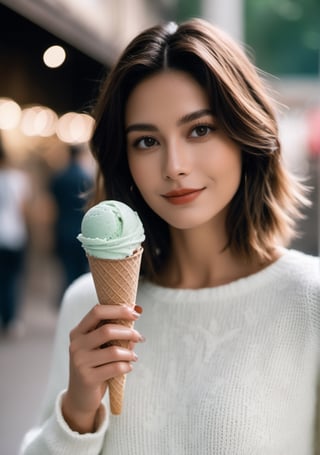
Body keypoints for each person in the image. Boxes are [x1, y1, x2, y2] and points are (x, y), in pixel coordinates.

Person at [20, 18, 320, 454]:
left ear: (245, 134)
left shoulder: (310, 302)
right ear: (123, 158)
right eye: (146, 141)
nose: (174, 165)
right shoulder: (89, 305)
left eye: (200, 129)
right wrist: (77, 413)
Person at [49, 144, 93, 303]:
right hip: (83, 230)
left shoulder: (59, 178)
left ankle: (69, 302)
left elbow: (52, 206)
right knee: (83, 273)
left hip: (63, 228)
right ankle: (80, 303)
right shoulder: (87, 178)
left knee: (67, 270)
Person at [0, 135, 31, 336]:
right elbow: (23, 209)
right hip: (14, 234)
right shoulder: (19, 178)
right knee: (11, 279)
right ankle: (10, 319)